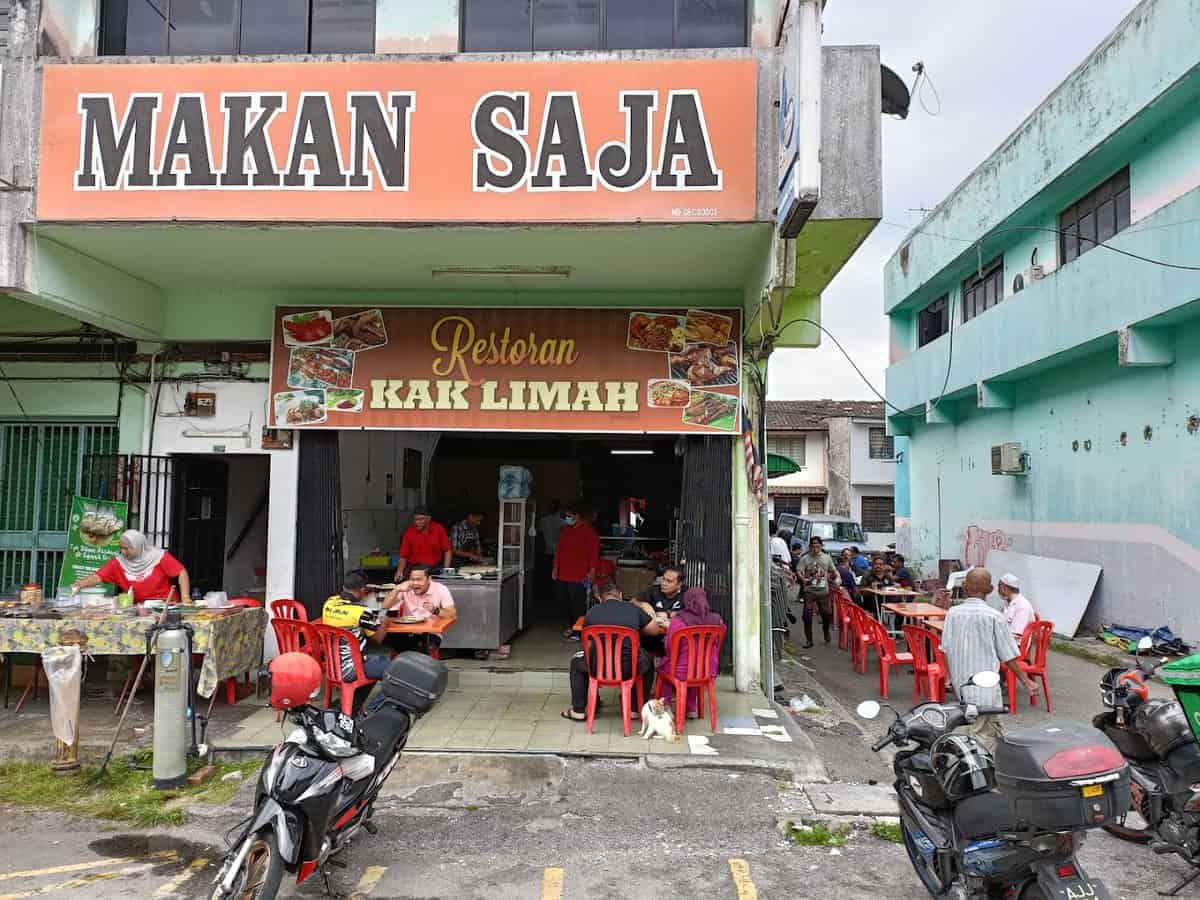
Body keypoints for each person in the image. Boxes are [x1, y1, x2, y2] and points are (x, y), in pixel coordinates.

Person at [940, 568, 1040, 745]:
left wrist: (949, 676)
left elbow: (945, 649)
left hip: (961, 686)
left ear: (964, 586)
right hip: (984, 688)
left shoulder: (953, 613)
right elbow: (1008, 656)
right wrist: (1026, 681)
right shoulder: (994, 616)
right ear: (991, 589)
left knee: (990, 727)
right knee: (980, 735)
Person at [561, 584, 663, 722]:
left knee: (576, 663)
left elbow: (589, 646)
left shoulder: (592, 612)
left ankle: (578, 711)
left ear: (600, 598)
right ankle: (634, 709)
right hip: (629, 669)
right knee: (648, 662)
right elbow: (655, 631)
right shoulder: (633, 610)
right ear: (620, 595)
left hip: (599, 669)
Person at [322, 570, 392, 706]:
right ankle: (372, 709)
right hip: (352, 668)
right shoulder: (361, 611)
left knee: (378, 662)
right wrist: (384, 622)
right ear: (362, 590)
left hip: (333, 666)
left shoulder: (329, 603)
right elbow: (377, 640)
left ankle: (352, 706)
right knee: (396, 672)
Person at [657, 587, 724, 717]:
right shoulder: (718, 621)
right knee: (694, 667)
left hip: (681, 671)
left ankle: (666, 705)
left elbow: (669, 647)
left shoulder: (679, 621)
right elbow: (719, 639)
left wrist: (668, 628)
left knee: (666, 666)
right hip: (707, 669)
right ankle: (691, 708)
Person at [73, 529, 190, 603]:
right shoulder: (118, 562)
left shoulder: (159, 556)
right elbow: (97, 577)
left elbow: (181, 572)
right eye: (121, 548)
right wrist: (79, 585)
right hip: (139, 608)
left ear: (138, 546)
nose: (123, 552)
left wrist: (185, 597)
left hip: (166, 605)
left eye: (126, 549)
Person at [382, 563, 457, 654]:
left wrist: (435, 610)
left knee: (421, 649)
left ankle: (413, 663)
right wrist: (397, 589)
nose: (415, 583)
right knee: (382, 637)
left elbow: (452, 614)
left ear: (429, 579)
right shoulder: (406, 588)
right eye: (412, 579)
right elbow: (385, 606)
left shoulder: (441, 589)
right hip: (406, 631)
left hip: (431, 633)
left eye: (419, 580)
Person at [553, 503, 600, 641]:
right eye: (566, 516)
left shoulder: (589, 531)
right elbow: (559, 550)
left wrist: (592, 571)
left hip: (580, 574)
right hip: (563, 573)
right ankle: (570, 626)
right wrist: (555, 567)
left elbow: (594, 553)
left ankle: (579, 631)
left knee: (578, 603)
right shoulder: (566, 531)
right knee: (563, 600)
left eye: (569, 515)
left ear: (577, 516)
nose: (567, 518)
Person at [796, 536, 839, 648]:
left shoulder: (826, 558)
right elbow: (799, 570)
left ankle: (825, 631)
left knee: (827, 614)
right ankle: (809, 640)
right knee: (807, 615)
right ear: (810, 547)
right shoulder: (805, 558)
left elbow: (833, 570)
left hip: (823, 591)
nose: (815, 549)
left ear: (821, 546)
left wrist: (836, 577)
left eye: (817, 546)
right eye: (813, 546)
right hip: (809, 590)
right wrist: (803, 579)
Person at [635, 565, 686, 655]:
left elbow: (694, 612)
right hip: (652, 639)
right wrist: (643, 604)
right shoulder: (654, 590)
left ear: (679, 584)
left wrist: (669, 614)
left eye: (669, 581)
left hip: (677, 640)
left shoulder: (687, 594)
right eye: (663, 579)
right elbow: (633, 601)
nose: (664, 583)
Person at [395, 506, 452, 580]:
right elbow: (403, 556)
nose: (417, 522)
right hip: (415, 570)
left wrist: (446, 570)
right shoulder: (409, 532)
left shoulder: (438, 529)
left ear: (428, 519)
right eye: (415, 519)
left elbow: (447, 550)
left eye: (420, 519)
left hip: (434, 570)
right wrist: (399, 572)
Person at [998, 573, 1036, 639]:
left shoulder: (1022, 605)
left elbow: (1016, 634)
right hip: (1006, 641)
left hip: (1015, 646)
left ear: (1004, 588)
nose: (997, 589)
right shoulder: (1009, 603)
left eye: (999, 587)